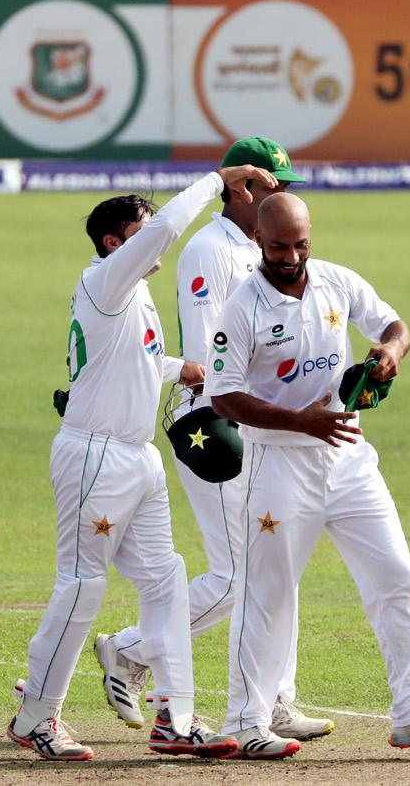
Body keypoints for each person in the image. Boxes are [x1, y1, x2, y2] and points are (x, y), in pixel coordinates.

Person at [6, 163, 279, 762]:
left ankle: (174, 720)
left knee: (164, 579)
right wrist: (215, 181)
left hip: (137, 457)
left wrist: (178, 366)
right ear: (115, 242)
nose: (152, 234)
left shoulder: (131, 293)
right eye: (141, 227)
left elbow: (127, 361)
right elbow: (166, 234)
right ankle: (36, 717)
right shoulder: (106, 278)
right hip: (95, 456)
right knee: (82, 586)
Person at [203, 192, 410, 759]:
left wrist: (390, 351)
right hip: (279, 464)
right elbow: (223, 396)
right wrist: (299, 421)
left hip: (349, 457)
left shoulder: (335, 280)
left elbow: (396, 324)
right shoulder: (242, 308)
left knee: (396, 577)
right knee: (268, 596)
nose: (291, 256)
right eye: (279, 246)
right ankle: (246, 719)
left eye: (301, 244)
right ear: (258, 240)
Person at [95, 137, 333, 742]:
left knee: (278, 560)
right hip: (214, 424)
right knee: (235, 576)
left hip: (265, 421)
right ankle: (128, 650)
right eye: (271, 186)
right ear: (241, 188)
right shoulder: (210, 250)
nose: (282, 197)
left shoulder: (273, 253)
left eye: (286, 187)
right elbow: (209, 357)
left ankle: (277, 700)